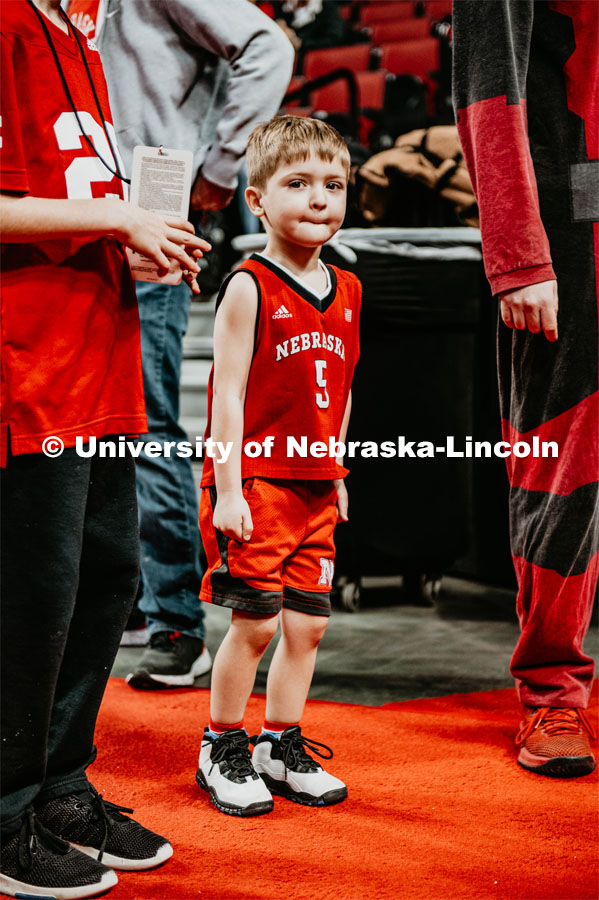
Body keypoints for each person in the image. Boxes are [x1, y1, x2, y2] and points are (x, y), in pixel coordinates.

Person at [0, 1, 210, 896]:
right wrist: (121, 222)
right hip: (26, 367)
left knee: (103, 578)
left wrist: (138, 237)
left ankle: (56, 784)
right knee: (30, 593)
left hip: (98, 354)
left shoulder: (80, 28)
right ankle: (4, 813)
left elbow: (74, 194)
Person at [66, 0, 295, 688]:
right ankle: (127, 603)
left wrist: (223, 165)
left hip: (151, 212)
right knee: (81, 426)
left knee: (150, 423)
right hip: (71, 219)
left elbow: (268, 47)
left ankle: (176, 622)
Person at [195, 116, 361, 816]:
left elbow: (344, 386)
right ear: (257, 200)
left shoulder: (349, 289)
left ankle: (280, 742)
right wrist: (228, 487)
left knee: (307, 626)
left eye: (333, 184)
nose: (319, 198)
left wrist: (340, 471)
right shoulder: (248, 284)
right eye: (298, 184)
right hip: (257, 485)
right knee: (256, 623)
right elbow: (225, 394)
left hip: (316, 486)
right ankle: (220, 742)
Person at [453, 0, 598, 776]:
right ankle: (552, 690)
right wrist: (518, 257)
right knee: (563, 465)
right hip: (575, 221)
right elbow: (486, 91)